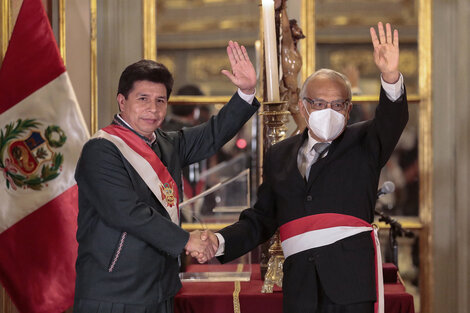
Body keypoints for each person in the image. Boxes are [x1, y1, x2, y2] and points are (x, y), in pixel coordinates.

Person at [200, 22, 408, 313]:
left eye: (338, 105)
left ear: (349, 109)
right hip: (300, 290)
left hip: (350, 290)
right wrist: (220, 241)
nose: (329, 111)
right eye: (319, 103)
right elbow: (262, 218)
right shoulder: (279, 155)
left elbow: (392, 119)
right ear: (302, 105)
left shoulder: (365, 143)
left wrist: (389, 75)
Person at [73, 40, 258, 313]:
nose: (153, 109)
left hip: (161, 286)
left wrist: (245, 92)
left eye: (161, 100)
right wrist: (188, 240)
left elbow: (212, 134)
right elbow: (128, 212)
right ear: (122, 101)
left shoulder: (168, 143)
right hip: (114, 290)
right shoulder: (100, 150)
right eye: (143, 99)